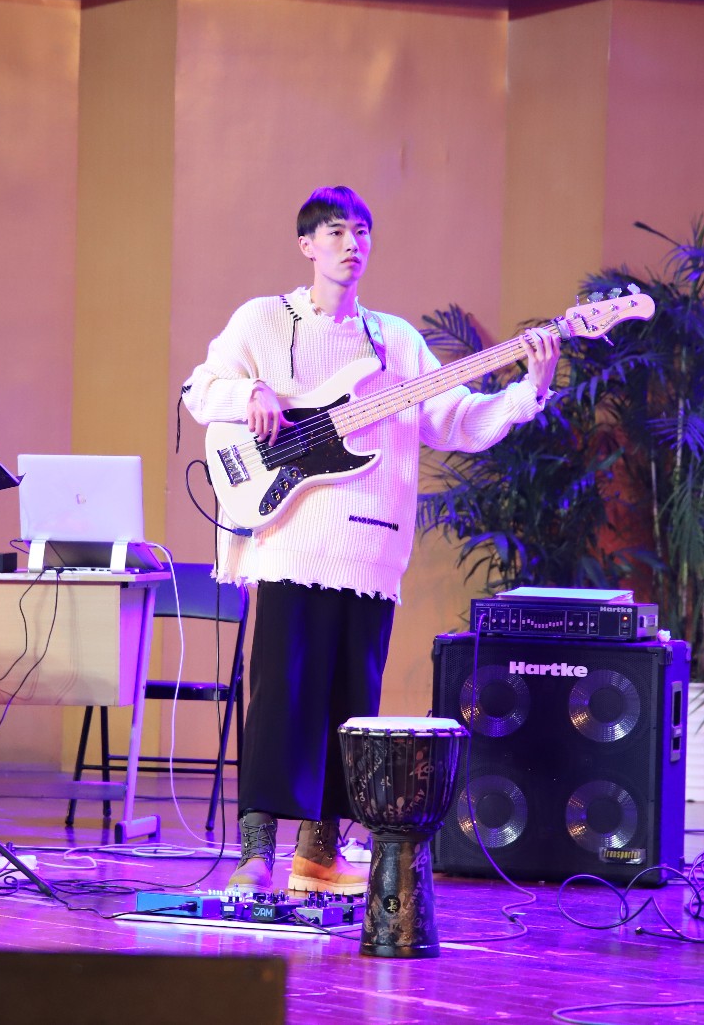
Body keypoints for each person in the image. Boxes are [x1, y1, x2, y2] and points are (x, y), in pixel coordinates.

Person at [181, 186, 558, 894]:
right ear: (306, 246)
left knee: (349, 709)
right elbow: (201, 389)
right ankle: (256, 855)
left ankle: (317, 857)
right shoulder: (264, 319)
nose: (350, 243)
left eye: (361, 231)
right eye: (335, 231)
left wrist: (526, 390)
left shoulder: (396, 341)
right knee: (281, 699)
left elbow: (455, 421)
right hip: (291, 540)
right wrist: (249, 394)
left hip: (372, 551)